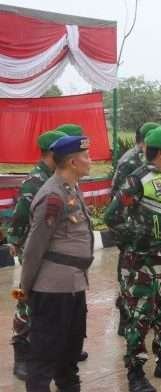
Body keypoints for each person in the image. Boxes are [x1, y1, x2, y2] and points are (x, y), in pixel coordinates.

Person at [106, 127, 161, 391]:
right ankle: (135, 373)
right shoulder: (138, 180)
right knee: (141, 317)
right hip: (145, 262)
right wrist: (137, 241)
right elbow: (113, 217)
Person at [17, 135, 92, 392]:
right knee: (43, 357)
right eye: (86, 156)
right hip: (53, 291)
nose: (90, 160)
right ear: (72, 161)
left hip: (73, 285)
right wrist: (23, 291)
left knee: (69, 354)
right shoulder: (52, 196)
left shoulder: (71, 187)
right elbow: (33, 249)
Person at [7, 129, 66, 381]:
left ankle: (46, 348)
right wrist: (17, 245)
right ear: (53, 153)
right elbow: (19, 218)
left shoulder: (56, 176)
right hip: (32, 249)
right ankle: (21, 354)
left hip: (50, 250)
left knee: (47, 300)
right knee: (25, 298)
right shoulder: (35, 181)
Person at [112, 122, 161, 335]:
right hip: (132, 231)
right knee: (128, 276)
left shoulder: (149, 161)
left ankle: (143, 315)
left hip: (149, 233)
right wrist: (127, 234)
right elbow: (118, 200)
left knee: (145, 277)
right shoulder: (129, 162)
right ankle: (126, 317)